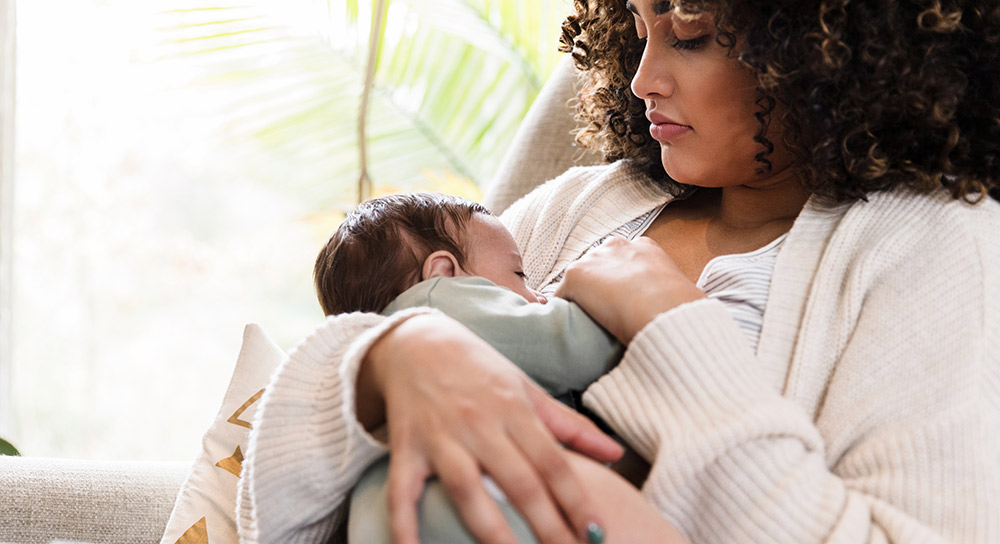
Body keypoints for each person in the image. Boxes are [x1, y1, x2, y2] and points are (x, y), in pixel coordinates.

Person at [237, 1, 1000, 543]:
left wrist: (673, 330)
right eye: (637, 30)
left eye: (692, 35)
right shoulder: (584, 204)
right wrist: (390, 359)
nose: (642, 79)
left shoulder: (933, 247)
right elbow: (272, 514)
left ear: (827, 47)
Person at [312, 191, 624, 543]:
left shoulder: (366, 365)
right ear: (444, 273)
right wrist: (610, 284)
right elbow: (576, 345)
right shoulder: (440, 305)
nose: (539, 296)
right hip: (471, 505)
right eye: (519, 273)